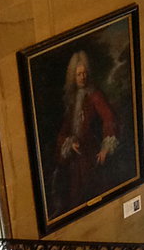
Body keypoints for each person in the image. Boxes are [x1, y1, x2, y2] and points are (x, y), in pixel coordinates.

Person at [51, 50, 119, 217]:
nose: (82, 77)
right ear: (73, 77)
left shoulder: (94, 95)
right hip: (74, 154)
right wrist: (68, 142)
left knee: (91, 189)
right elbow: (65, 128)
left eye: (84, 73)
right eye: (78, 74)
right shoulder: (72, 99)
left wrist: (105, 147)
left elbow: (109, 118)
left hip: (89, 150)